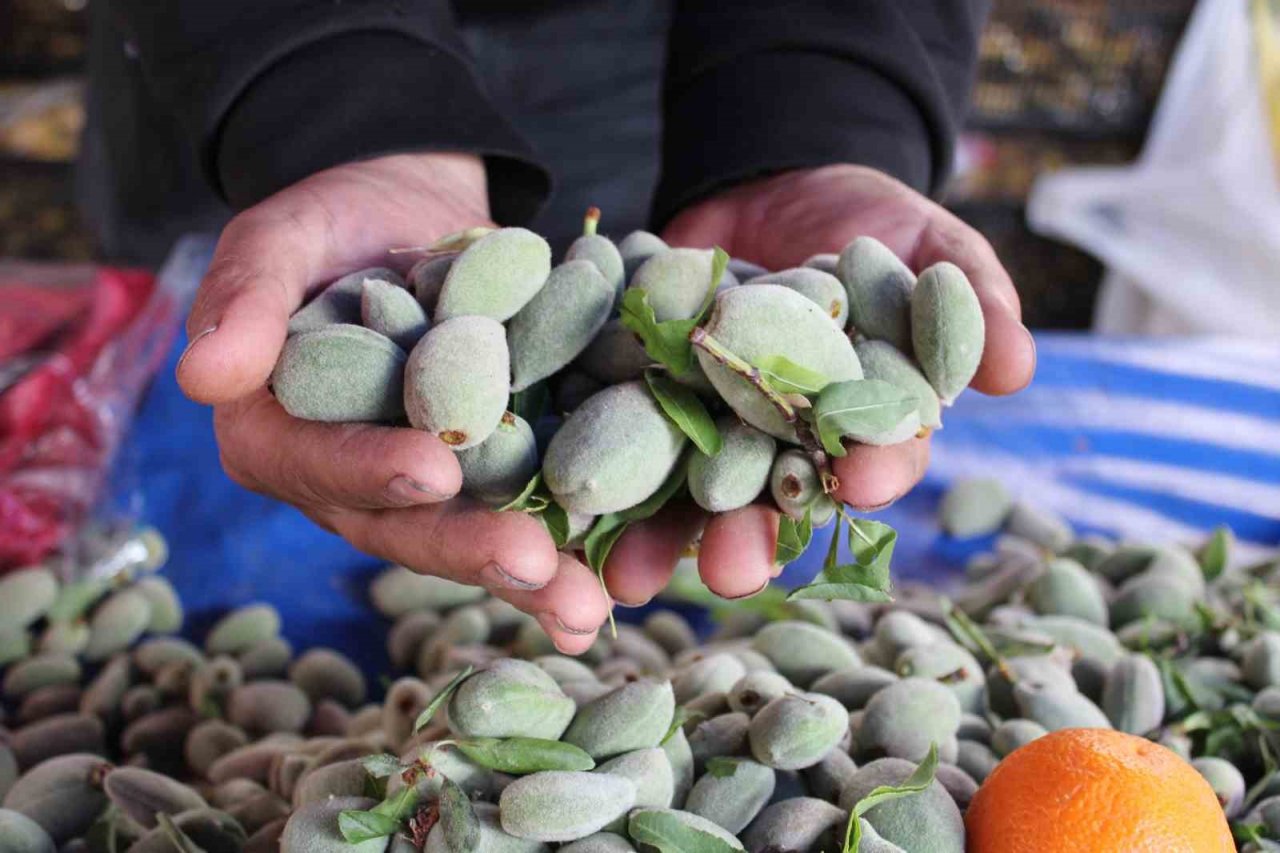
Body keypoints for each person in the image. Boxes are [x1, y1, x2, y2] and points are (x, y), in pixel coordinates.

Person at [79, 0, 1035, 654]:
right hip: (252, 52)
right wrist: (326, 102)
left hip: (664, 56)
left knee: (595, 335)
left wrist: (820, 114)